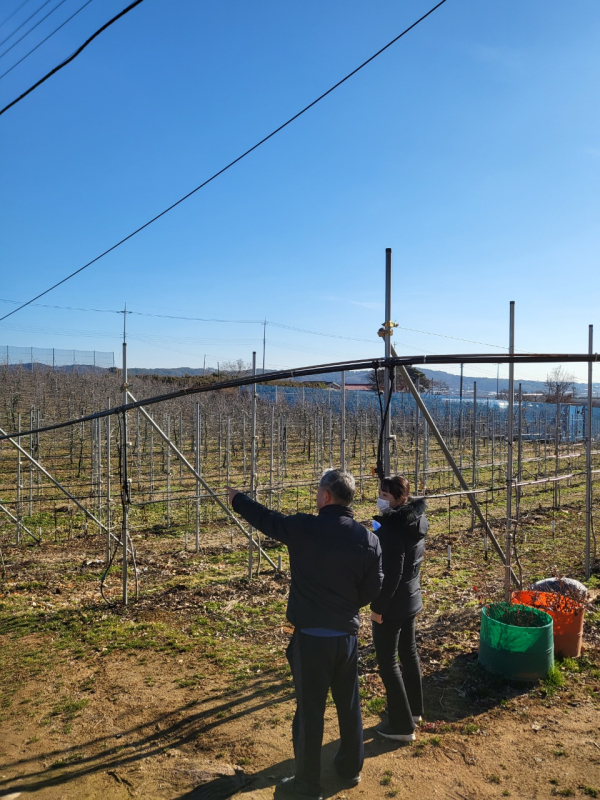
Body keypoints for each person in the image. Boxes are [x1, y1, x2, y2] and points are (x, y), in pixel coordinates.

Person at [227, 469, 382, 800]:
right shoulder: (368, 539)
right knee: (349, 703)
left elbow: (266, 520)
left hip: (311, 638)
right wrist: (348, 605)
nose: (315, 495)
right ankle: (350, 768)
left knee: (310, 711)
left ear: (326, 495)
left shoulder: (302, 527)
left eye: (317, 490)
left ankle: (307, 785)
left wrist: (237, 499)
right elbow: (374, 586)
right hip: (345, 637)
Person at [370, 475, 428, 742]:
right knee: (409, 653)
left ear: (401, 498)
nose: (381, 499)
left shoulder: (393, 528)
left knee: (388, 662)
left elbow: (392, 573)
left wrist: (378, 607)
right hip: (411, 597)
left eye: (386, 495)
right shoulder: (417, 519)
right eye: (380, 493)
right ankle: (414, 710)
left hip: (393, 604)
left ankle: (402, 726)